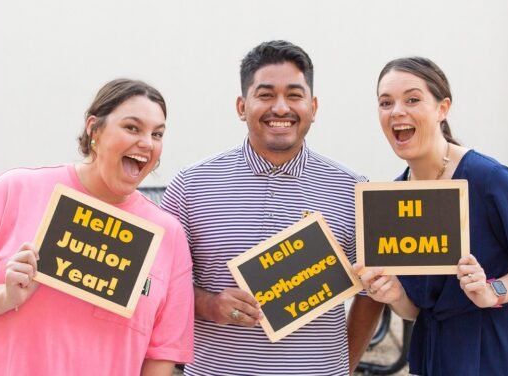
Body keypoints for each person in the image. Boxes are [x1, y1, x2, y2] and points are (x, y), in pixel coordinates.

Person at [0, 79, 194, 375]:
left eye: (157, 133)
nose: (147, 142)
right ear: (94, 129)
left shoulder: (168, 236)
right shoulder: (14, 191)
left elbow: (162, 355)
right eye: (132, 128)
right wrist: (6, 297)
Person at [160, 40, 384, 375]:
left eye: (294, 95)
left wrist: (343, 367)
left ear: (313, 106)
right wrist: (211, 305)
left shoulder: (352, 190)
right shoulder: (191, 186)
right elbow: (160, 286)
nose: (280, 108)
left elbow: (372, 292)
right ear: (241, 105)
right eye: (265, 95)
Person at [354, 56, 508, 375]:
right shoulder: (394, 198)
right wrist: (394, 295)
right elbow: (416, 309)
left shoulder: (489, 179)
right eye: (386, 102)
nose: (396, 111)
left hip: (504, 356)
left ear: (442, 108)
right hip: (436, 359)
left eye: (412, 99)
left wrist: (493, 291)